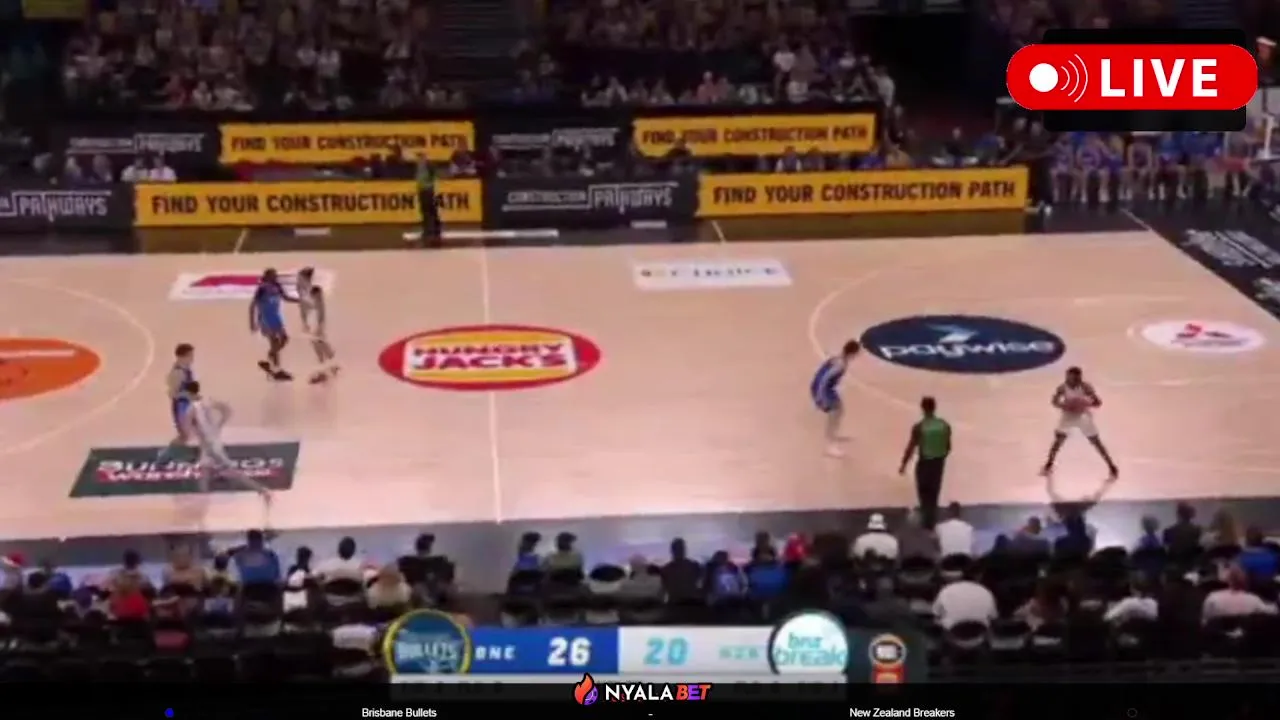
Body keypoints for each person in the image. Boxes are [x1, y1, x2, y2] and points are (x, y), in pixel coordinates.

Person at [179, 380, 272, 504]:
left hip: (209, 446)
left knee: (231, 472)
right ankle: (203, 504)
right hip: (214, 442)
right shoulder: (209, 402)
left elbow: (185, 431)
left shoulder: (191, 409)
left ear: (188, 393)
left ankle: (263, 491)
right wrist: (219, 424)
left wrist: (188, 434)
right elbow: (227, 410)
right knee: (204, 473)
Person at [1040, 366, 1119, 480]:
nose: (1071, 379)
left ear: (1079, 377)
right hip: (1068, 415)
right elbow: (1054, 402)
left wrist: (1085, 403)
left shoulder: (1086, 387)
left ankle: (1112, 466)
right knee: (1058, 441)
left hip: (1083, 416)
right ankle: (1049, 464)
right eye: (1069, 377)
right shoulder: (1062, 388)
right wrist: (1064, 405)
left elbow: (1098, 403)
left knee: (1096, 442)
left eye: (1074, 377)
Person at [898, 396, 952, 529]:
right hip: (938, 464)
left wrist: (904, 464)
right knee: (934, 494)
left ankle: (926, 523)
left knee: (924, 494)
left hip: (925, 463)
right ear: (935, 407)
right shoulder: (944, 425)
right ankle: (932, 522)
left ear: (922, 408)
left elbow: (911, 447)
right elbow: (948, 447)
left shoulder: (919, 427)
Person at [810, 339, 861, 457]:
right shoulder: (841, 364)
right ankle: (830, 445)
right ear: (853, 353)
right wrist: (819, 397)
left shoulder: (839, 358)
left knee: (839, 410)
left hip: (826, 388)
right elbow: (824, 379)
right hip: (822, 388)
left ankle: (833, 434)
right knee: (835, 412)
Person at [250, 268, 295, 381]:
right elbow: (253, 305)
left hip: (276, 317)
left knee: (284, 339)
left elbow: (286, 297)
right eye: (273, 275)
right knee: (274, 341)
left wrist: (299, 300)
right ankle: (276, 369)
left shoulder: (277, 286)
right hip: (266, 318)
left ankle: (270, 362)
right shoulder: (262, 288)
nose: (275, 277)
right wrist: (252, 322)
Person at [296, 267, 339, 384]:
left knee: (319, 345)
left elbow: (321, 308)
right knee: (318, 344)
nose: (298, 280)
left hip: (316, 319)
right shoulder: (301, 290)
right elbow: (302, 307)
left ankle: (326, 369)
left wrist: (320, 324)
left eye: (300, 278)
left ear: (305, 278)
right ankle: (330, 367)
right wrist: (304, 321)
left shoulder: (315, 291)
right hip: (310, 319)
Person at [157, 343, 196, 462]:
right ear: (182, 357)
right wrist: (188, 395)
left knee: (191, 433)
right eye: (190, 356)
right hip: (181, 407)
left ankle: (176, 454)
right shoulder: (177, 373)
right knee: (184, 435)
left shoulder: (186, 370)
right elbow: (173, 393)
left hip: (188, 405)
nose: (192, 358)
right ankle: (164, 455)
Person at [415, 155, 441, 248]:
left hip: (427, 190)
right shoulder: (420, 166)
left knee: (428, 211)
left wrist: (430, 185)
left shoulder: (427, 166)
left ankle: (430, 230)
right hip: (424, 189)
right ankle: (432, 229)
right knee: (428, 210)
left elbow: (432, 177)